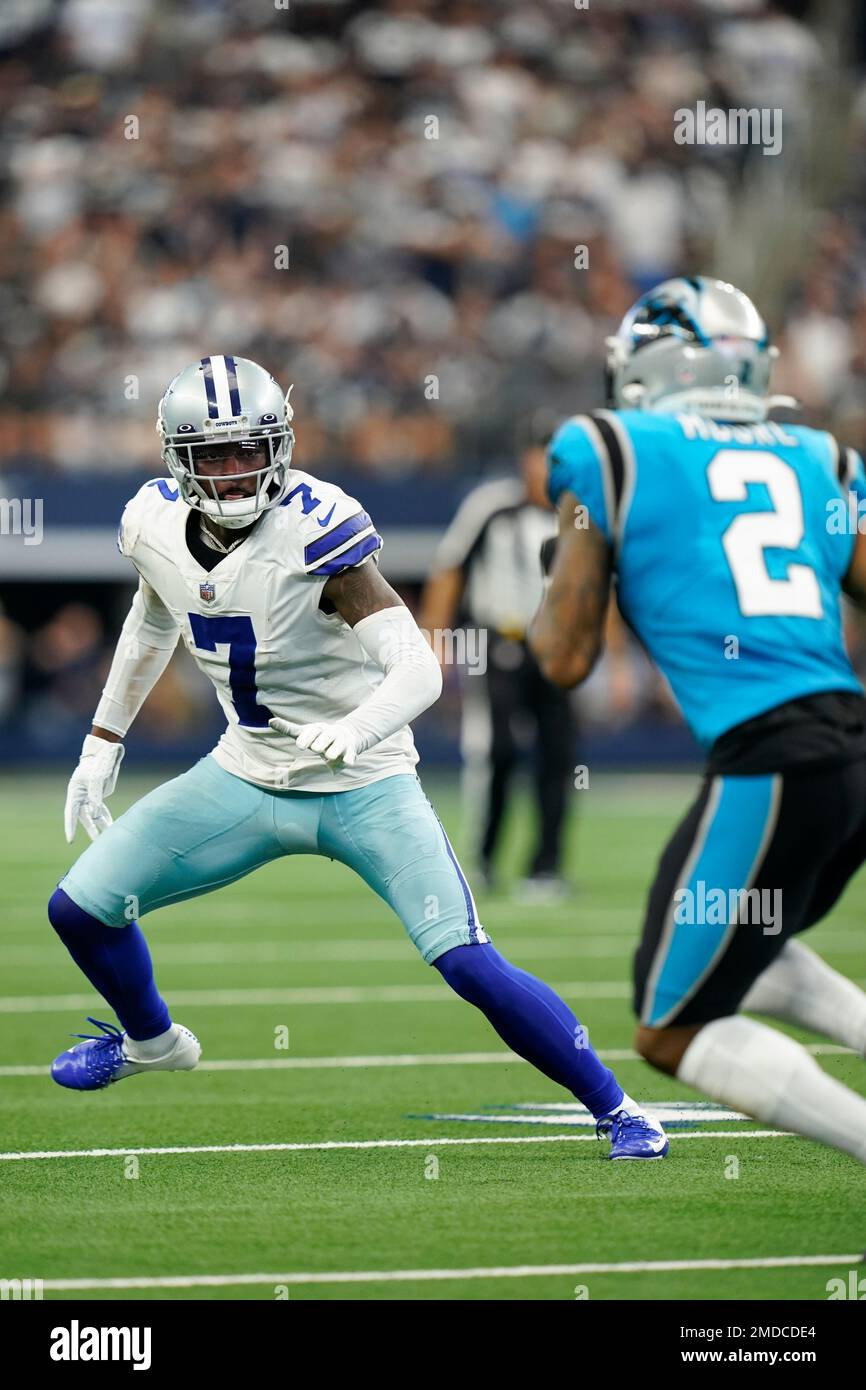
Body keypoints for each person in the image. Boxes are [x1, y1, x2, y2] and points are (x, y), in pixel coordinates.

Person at [48, 354, 668, 1161]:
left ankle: (620, 1109)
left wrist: (363, 730)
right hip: (246, 769)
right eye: (216, 455)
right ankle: (152, 1041)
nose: (237, 473)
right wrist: (103, 740)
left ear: (282, 444)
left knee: (468, 962)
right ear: (177, 457)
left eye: (251, 450)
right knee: (79, 907)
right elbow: (152, 619)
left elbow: (417, 664)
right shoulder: (152, 523)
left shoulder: (317, 525)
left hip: (362, 782)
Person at [531, 276, 866, 1166]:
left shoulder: (604, 445)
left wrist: (571, 554)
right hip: (850, 753)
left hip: (775, 756)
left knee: (671, 1028)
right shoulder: (821, 456)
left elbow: (563, 657)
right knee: (744, 945)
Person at [418, 413, 577, 899]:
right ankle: (483, 857)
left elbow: (596, 590)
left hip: (556, 647)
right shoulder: (491, 505)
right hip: (496, 641)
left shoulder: (577, 515)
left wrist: (604, 655)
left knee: (559, 754)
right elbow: (449, 569)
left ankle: (546, 867)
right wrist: (434, 638)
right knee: (499, 750)